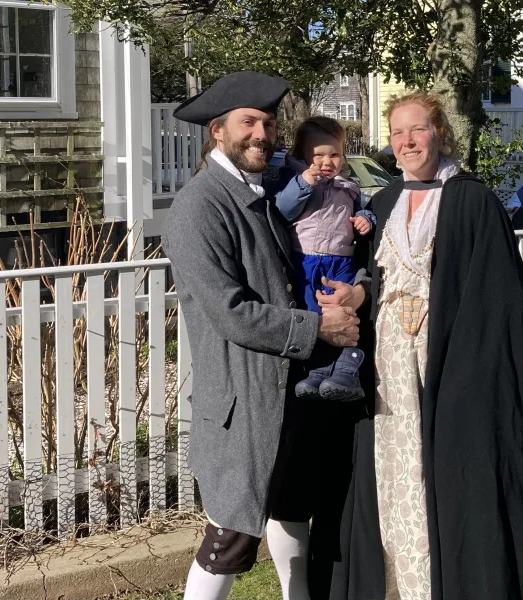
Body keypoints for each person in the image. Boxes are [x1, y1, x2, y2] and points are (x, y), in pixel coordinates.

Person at [310, 91, 523, 600]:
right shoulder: (382, 202)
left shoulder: (472, 200)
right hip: (387, 368)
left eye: (416, 130)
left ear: (439, 132)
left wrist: (464, 372)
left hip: (452, 363)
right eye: (397, 133)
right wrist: (358, 293)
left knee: (444, 477)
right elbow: (377, 279)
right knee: (392, 472)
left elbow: (493, 298)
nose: (406, 142)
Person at [162, 71, 361, 600]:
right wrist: (318, 327)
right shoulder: (198, 207)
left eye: (269, 123)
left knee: (292, 512)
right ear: (217, 132)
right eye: (248, 122)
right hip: (242, 403)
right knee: (229, 537)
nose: (262, 133)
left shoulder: (262, 193)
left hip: (289, 391)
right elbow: (231, 312)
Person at [273, 116, 377, 401]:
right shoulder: (297, 182)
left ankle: (348, 364)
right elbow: (283, 210)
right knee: (313, 314)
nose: (326, 162)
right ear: (302, 156)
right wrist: (305, 183)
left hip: (341, 260)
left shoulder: (348, 186)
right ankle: (318, 368)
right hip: (305, 261)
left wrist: (366, 220)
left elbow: (363, 209)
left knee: (342, 312)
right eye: (318, 155)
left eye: (334, 154)